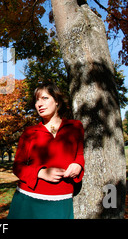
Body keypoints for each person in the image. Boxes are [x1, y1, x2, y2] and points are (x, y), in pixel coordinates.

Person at [7, 83, 84, 219]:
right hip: (28, 200)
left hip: (61, 201)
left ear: (57, 101)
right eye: (37, 100)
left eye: (45, 98)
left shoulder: (75, 127)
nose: (39, 104)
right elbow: (17, 167)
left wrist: (78, 165)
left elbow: (79, 155)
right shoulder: (29, 132)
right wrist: (41, 172)